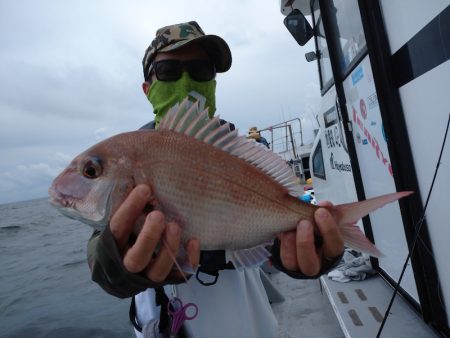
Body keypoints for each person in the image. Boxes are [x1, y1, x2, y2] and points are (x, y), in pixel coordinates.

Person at [87, 21, 344, 338]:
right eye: (168, 70)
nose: (186, 80)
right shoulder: (129, 157)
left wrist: (311, 250)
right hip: (161, 312)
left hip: (242, 302)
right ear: (147, 87)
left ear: (213, 83)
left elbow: (268, 229)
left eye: (200, 69)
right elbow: (102, 254)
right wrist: (113, 260)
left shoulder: (239, 155)